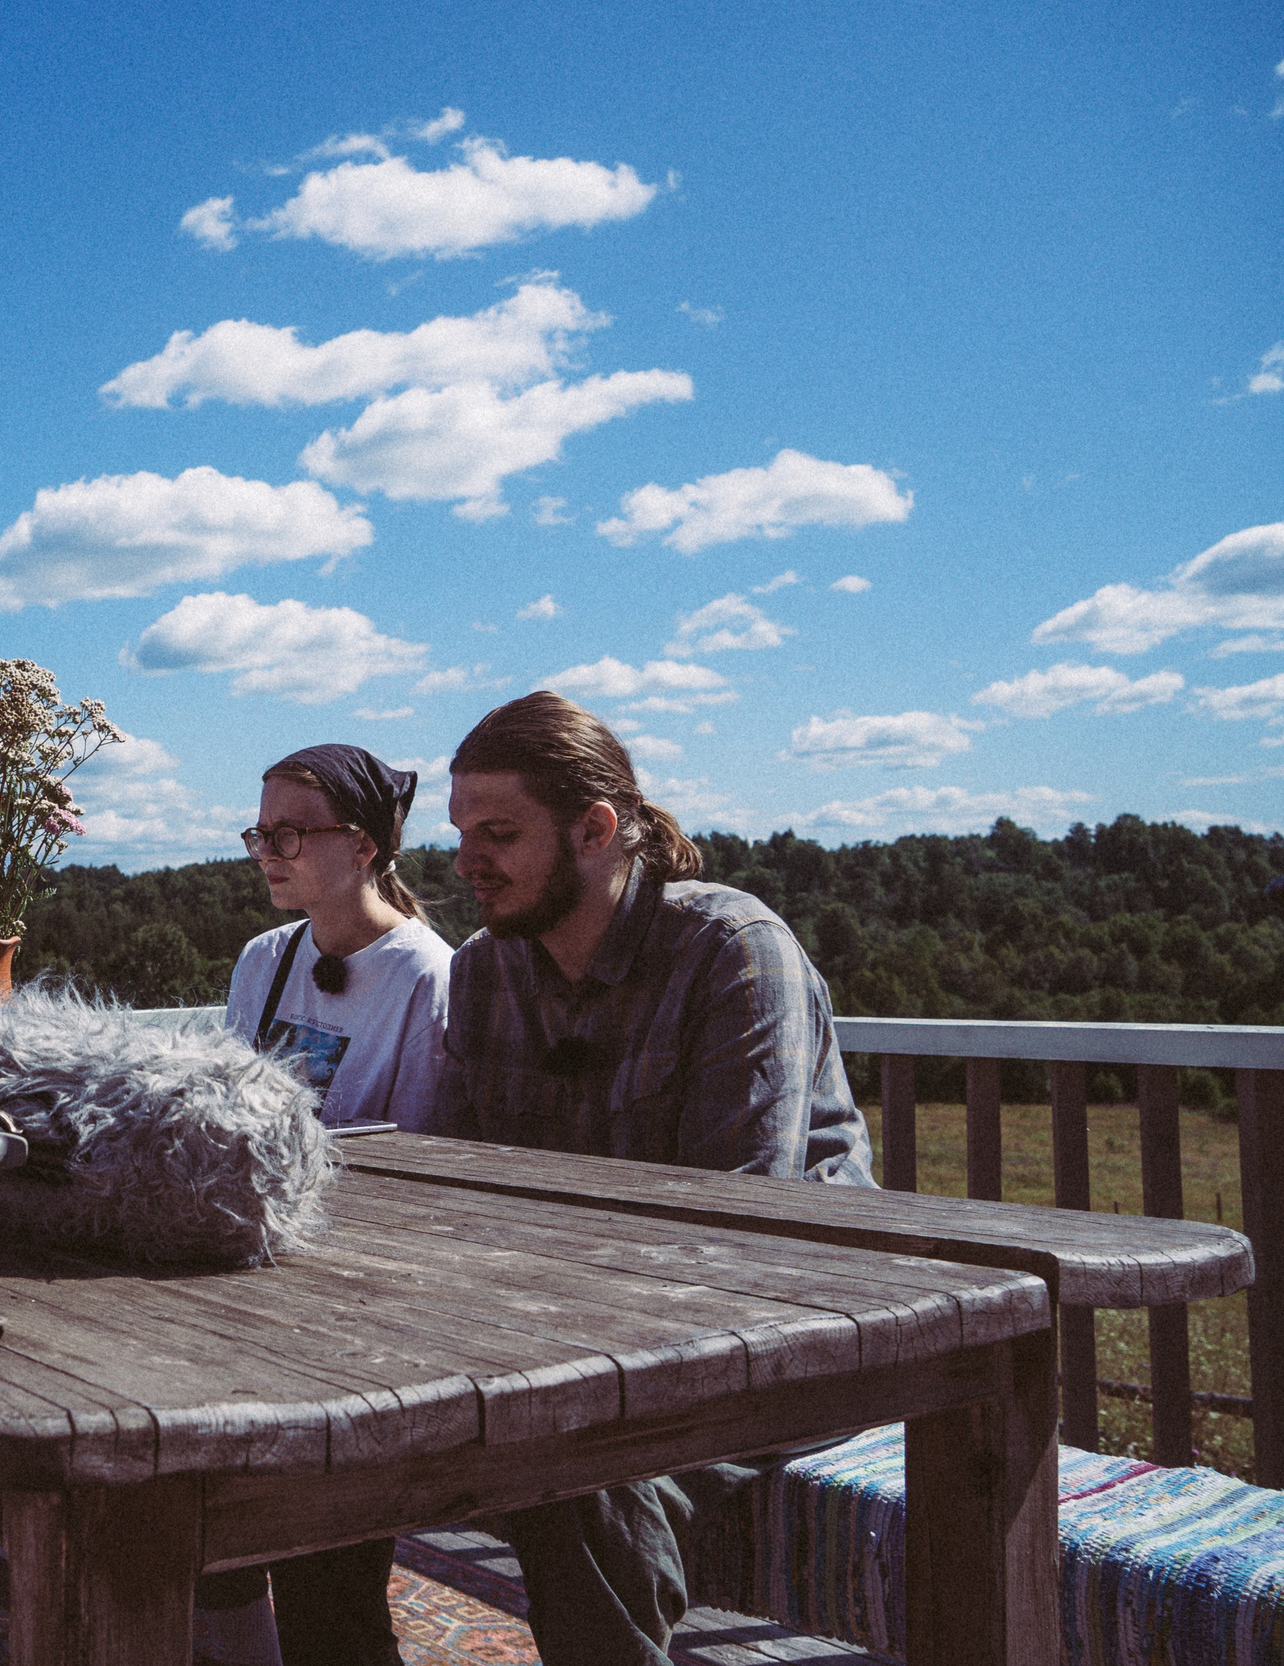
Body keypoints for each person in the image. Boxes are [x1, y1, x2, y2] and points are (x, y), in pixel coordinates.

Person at [428, 690, 873, 1666]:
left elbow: (737, 1222)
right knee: (344, 1426)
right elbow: (454, 1202)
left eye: (497, 832)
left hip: (800, 1314)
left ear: (594, 831)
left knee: (580, 1467)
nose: (466, 860)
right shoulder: (482, 973)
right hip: (593, 1327)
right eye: (459, 831)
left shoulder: (730, 949)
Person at [199, 742, 452, 1666]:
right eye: (262, 832)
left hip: (352, 1301)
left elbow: (417, 1159)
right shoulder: (266, 958)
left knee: (328, 1562)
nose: (270, 850)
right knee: (209, 1522)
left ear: (366, 844)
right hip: (254, 1274)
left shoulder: (426, 975)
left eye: (293, 832)